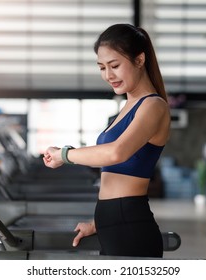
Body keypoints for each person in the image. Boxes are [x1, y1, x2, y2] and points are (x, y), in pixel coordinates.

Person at [43, 23, 170, 258]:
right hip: (113, 224)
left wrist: (64, 154)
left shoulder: (153, 106)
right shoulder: (128, 105)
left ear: (139, 60)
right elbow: (114, 175)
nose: (108, 75)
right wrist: (98, 222)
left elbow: (115, 153)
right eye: (102, 67)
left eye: (115, 66)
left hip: (131, 227)